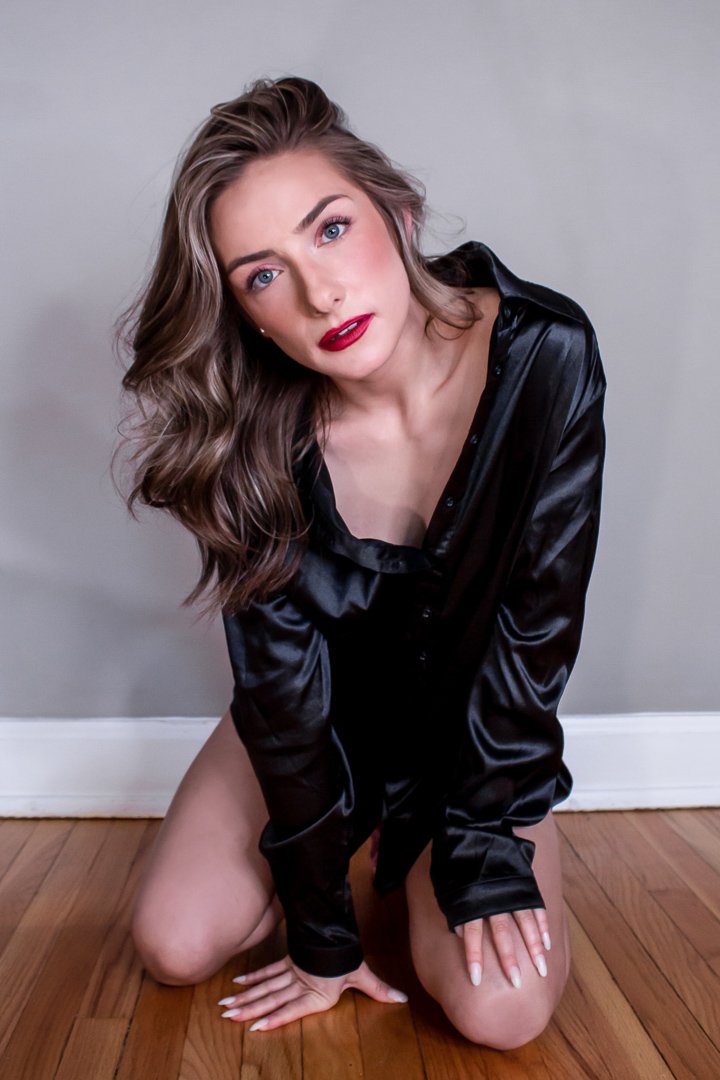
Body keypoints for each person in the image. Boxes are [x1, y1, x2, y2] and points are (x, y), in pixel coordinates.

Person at [117, 76, 606, 1050]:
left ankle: (418, 845)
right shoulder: (248, 439)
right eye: (263, 275)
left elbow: (537, 631)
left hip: (474, 739)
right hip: (313, 721)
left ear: (399, 212)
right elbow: (281, 693)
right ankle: (347, 841)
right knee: (172, 942)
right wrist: (323, 939)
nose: (320, 293)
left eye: (331, 230)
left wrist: (481, 841)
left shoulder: (548, 355)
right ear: (247, 314)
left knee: (501, 1014)